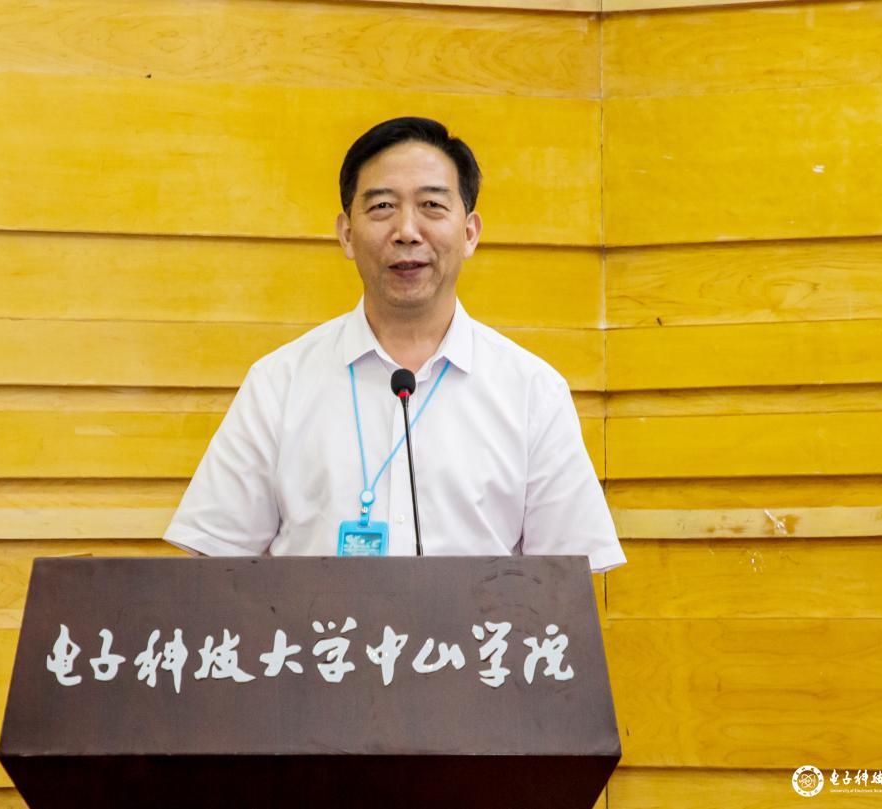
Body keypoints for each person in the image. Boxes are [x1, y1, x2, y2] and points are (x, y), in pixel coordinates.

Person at [163, 117, 624, 571]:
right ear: (347, 233)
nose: (406, 231)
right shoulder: (279, 383)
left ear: (469, 233)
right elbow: (212, 567)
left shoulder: (531, 391)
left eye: (432, 206)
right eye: (382, 206)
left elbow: (566, 582)